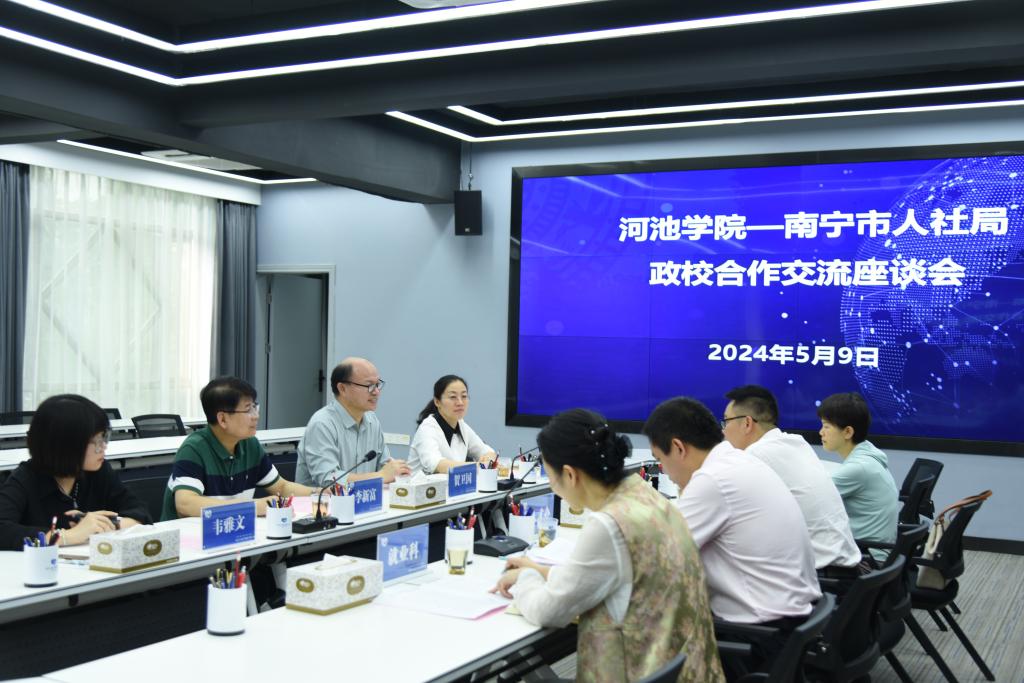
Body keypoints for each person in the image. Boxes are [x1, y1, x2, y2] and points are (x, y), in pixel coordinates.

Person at [493, 408, 724, 683]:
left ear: (570, 475)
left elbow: (548, 611)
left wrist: (526, 579)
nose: (553, 487)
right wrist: (541, 571)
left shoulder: (608, 524)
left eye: (551, 477)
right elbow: (607, 576)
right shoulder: (645, 495)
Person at [643, 397, 820, 679]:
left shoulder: (713, 479)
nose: (662, 469)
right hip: (792, 624)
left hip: (758, 638)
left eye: (659, 459)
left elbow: (658, 557)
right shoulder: (739, 461)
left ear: (678, 447)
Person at [722, 385, 862, 575]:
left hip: (821, 576)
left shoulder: (755, 455)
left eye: (726, 421)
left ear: (747, 423)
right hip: (847, 567)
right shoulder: (796, 442)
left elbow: (725, 511)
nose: (724, 431)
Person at [0, 394, 151, 550]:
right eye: (96, 442)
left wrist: (105, 524)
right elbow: (2, 530)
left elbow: (140, 512)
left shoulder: (99, 471)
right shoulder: (26, 478)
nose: (104, 447)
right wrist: (69, 535)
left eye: (104, 438)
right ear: (67, 445)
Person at [161, 377, 314, 520]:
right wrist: (253, 507)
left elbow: (282, 486)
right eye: (248, 410)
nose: (256, 416)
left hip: (233, 531)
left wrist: (318, 493)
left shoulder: (250, 444)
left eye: (255, 407)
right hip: (190, 536)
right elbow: (185, 504)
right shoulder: (194, 448)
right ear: (222, 419)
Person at [295, 357, 410, 487]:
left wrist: (397, 472)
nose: (376, 392)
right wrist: (381, 476)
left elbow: (385, 466)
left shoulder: (372, 420)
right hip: (322, 500)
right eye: (369, 385)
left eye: (377, 384)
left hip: (364, 498)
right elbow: (330, 480)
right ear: (342, 388)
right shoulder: (322, 424)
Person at [817, 392, 899, 560]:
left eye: (826, 426)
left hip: (868, 560)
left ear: (848, 432)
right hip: (873, 552)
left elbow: (809, 501)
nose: (821, 432)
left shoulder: (858, 468)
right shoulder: (867, 454)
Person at [407, 374, 497, 475]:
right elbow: (437, 465)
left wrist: (488, 459)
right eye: (453, 397)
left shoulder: (461, 425)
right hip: (418, 484)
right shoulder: (427, 428)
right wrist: (477, 466)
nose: (460, 402)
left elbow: (488, 452)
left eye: (464, 396)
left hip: (450, 484)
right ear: (437, 402)